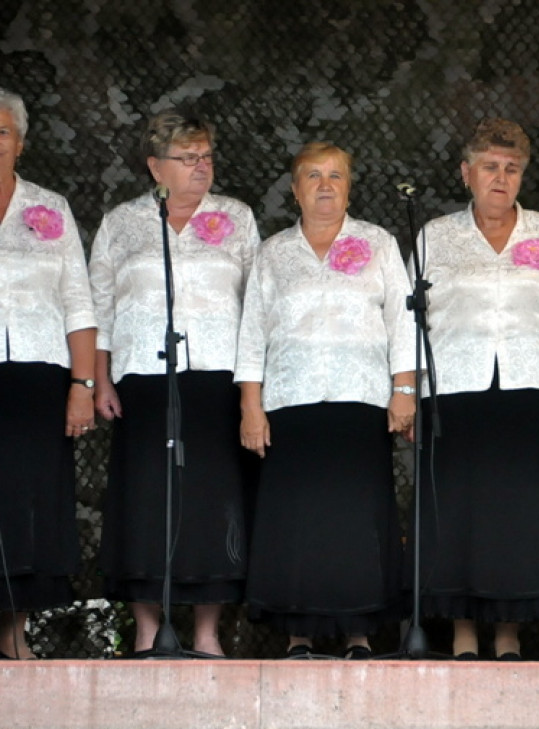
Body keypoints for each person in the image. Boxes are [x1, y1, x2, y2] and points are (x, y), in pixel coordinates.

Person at [413, 117, 539, 660]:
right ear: (466, 172)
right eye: (490, 167)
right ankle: (464, 631)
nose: (501, 178)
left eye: (512, 169)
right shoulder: (435, 237)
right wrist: (409, 394)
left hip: (532, 390)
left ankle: (511, 633)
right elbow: (410, 323)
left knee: (522, 515)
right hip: (455, 392)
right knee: (460, 512)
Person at [90, 108, 260, 657]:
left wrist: (252, 389)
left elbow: (258, 305)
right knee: (144, 499)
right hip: (143, 375)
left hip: (216, 376)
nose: (200, 167)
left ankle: (207, 634)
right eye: (187, 158)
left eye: (206, 157)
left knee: (214, 500)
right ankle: (145, 630)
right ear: (154, 167)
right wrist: (99, 380)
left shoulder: (237, 218)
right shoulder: (122, 223)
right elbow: (100, 306)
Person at [235, 142, 416, 658]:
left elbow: (402, 323)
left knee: (356, 518)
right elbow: (252, 333)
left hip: (361, 402)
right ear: (294, 189)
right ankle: (299, 634)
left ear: (349, 186)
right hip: (291, 403)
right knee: (298, 520)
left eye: (335, 175)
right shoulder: (274, 253)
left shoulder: (377, 243)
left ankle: (359, 633)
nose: (324, 185)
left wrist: (404, 391)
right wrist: (252, 404)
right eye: (312, 176)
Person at [0, 88, 96, 659]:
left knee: (28, 501)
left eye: (2, 131)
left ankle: (13, 635)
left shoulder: (49, 208)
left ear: (21, 143)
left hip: (37, 375)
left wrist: (82, 386)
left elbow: (78, 300)